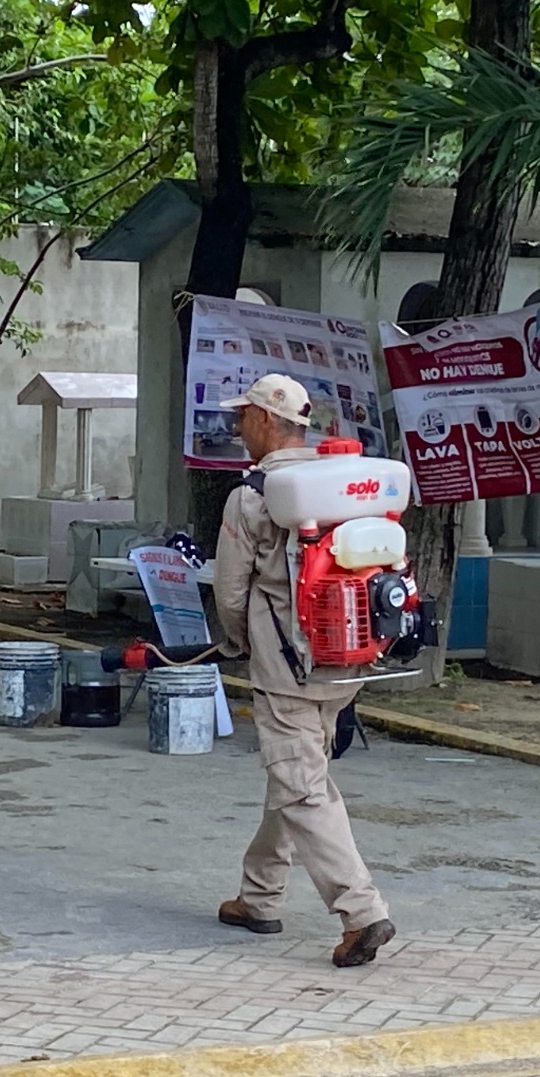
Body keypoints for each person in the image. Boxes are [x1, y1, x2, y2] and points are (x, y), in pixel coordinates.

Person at [212, 373, 395, 969]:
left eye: (243, 417)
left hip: (286, 663)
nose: (238, 428)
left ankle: (361, 912)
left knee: (302, 786)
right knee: (294, 773)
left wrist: (237, 643)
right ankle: (258, 896)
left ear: (267, 419)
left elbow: (231, 590)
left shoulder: (254, 495)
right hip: (350, 659)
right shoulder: (341, 484)